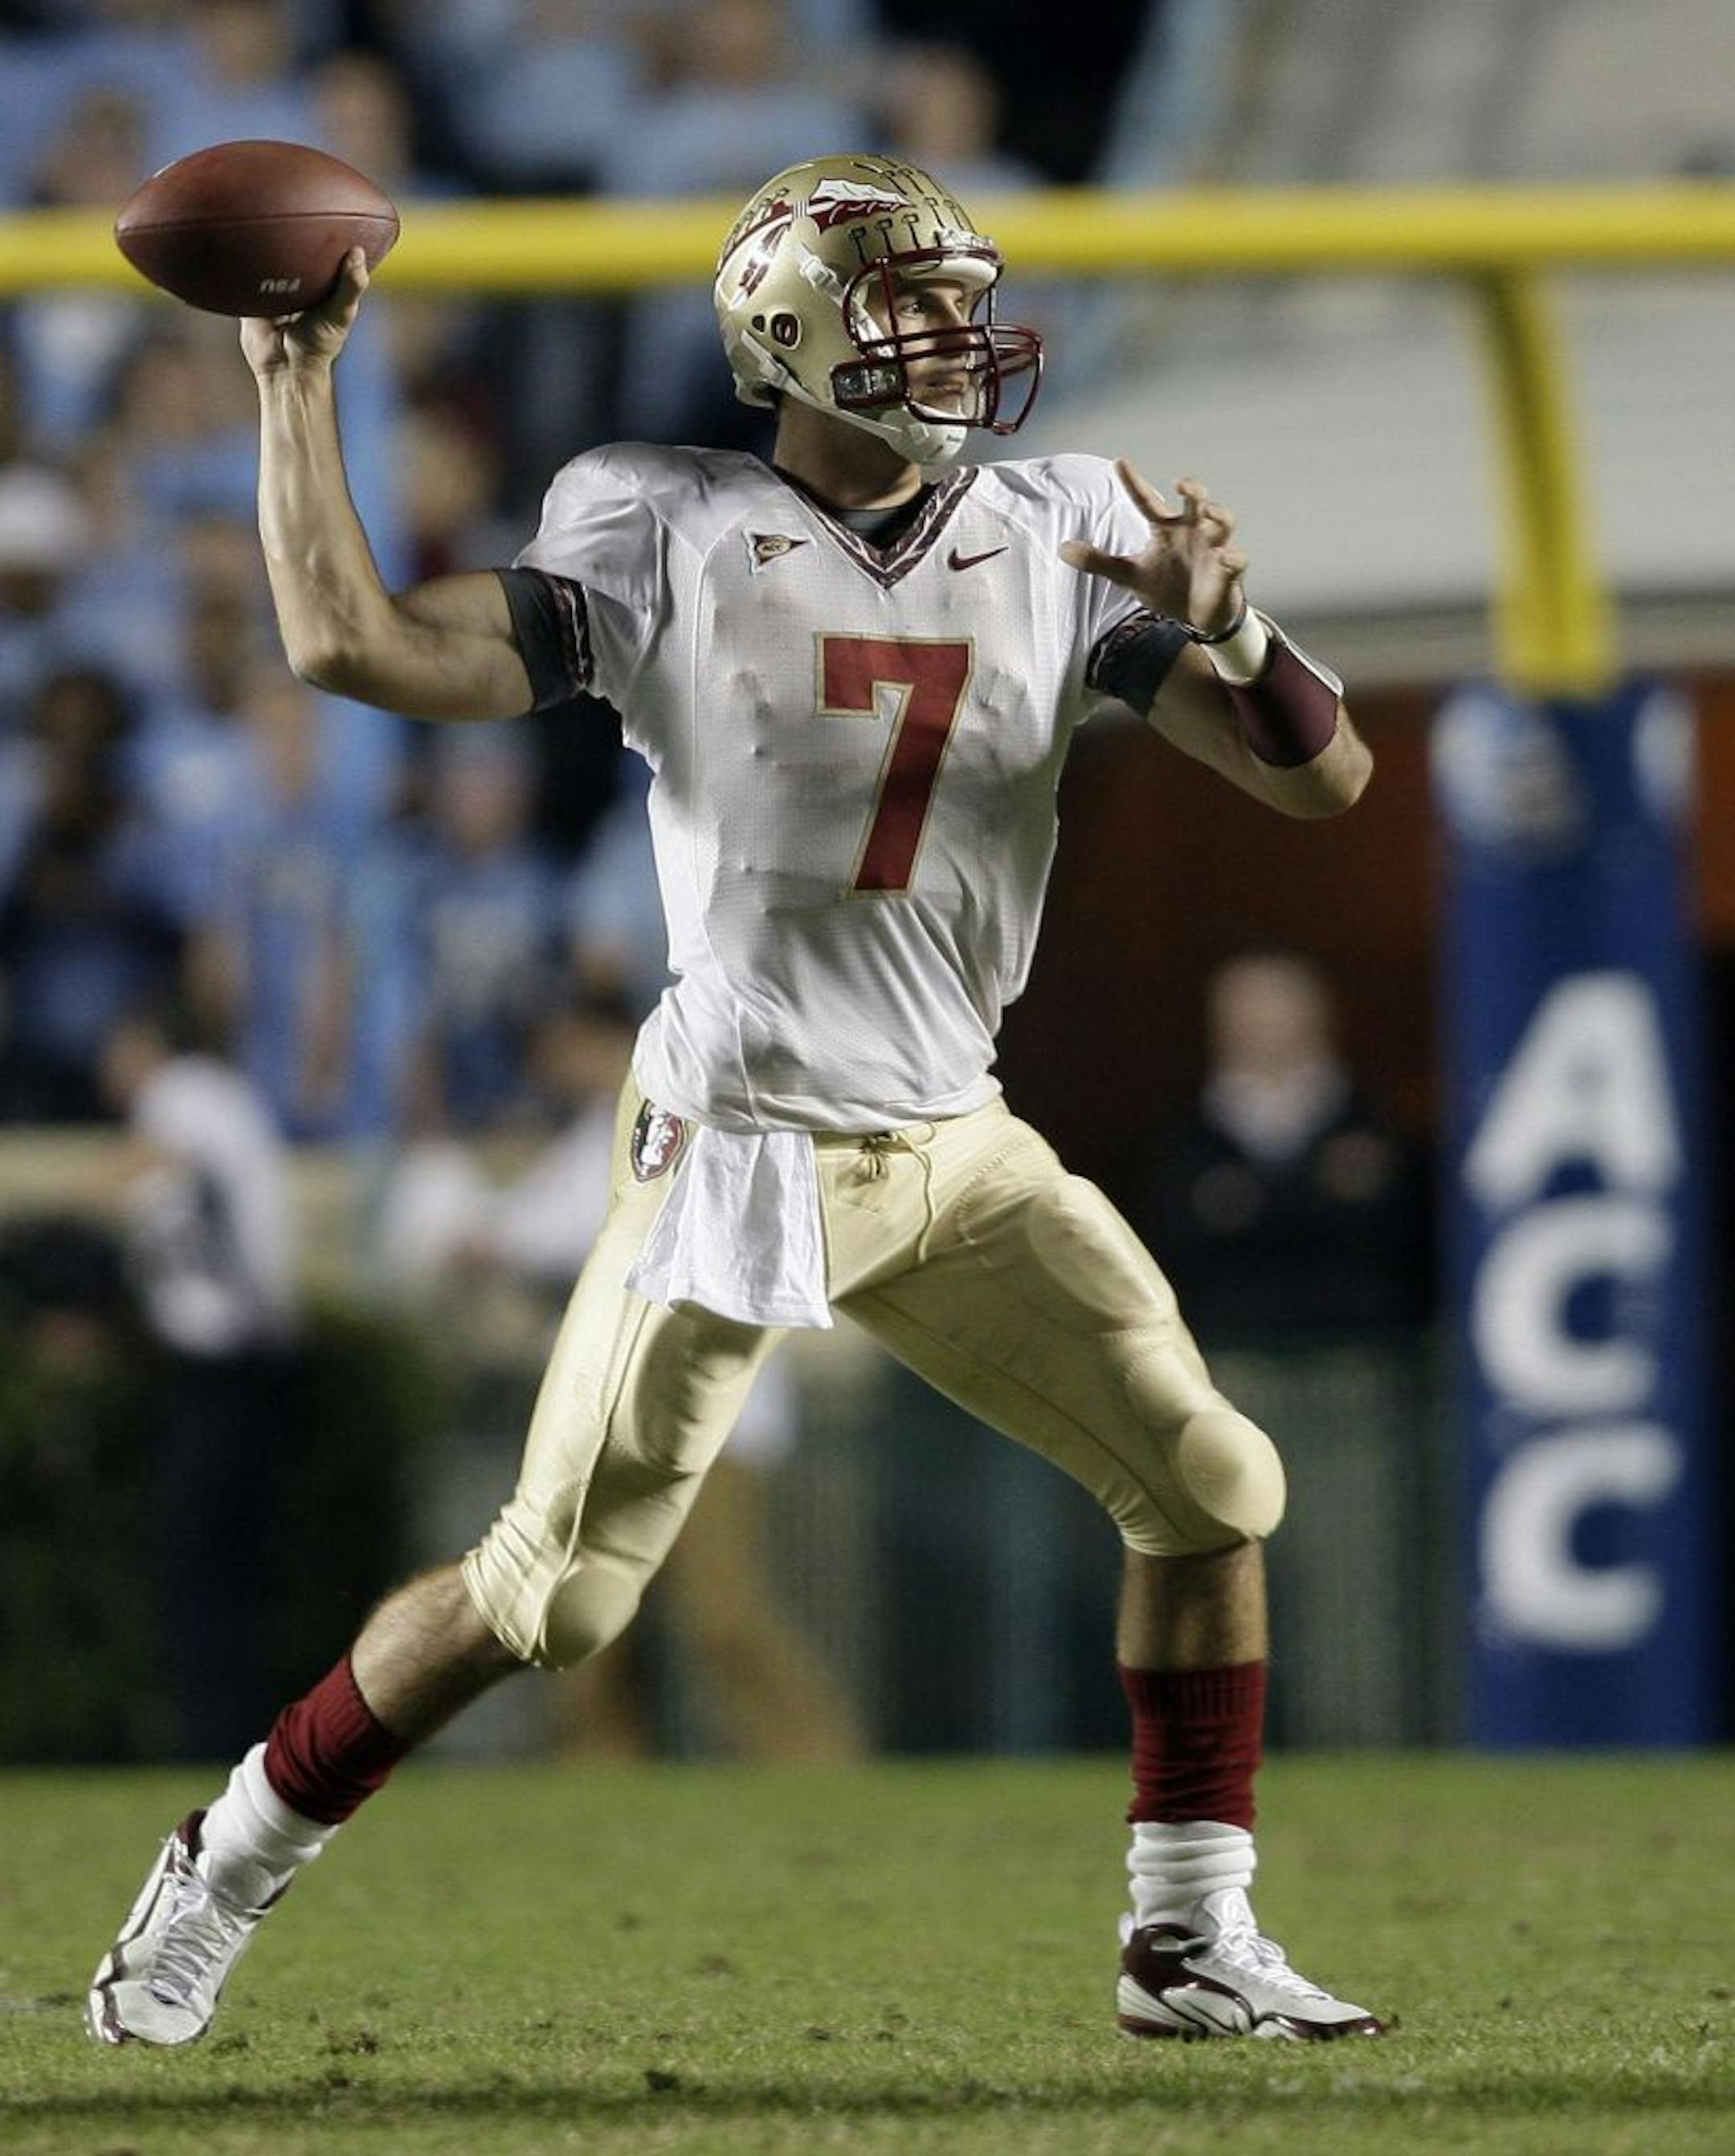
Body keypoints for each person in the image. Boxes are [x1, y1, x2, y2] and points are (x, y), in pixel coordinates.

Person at [88, 153, 1383, 2050]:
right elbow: (352, 646)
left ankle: (1184, 1936)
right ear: (787, 337)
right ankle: (225, 1860)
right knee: (554, 1599)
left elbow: (1320, 785)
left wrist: (1233, 635)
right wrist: (296, 388)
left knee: (1206, 1486)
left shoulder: (1052, 520)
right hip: (746, 1144)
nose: (955, 344)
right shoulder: (661, 521)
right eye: (908, 310)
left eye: (961, 301)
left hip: (954, 1135)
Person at [1125, 949, 1434, 1341]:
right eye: (1246, 1004)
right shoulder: (1183, 1142)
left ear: (1320, 1012)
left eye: (1279, 1001)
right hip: (1230, 1360)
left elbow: (1405, 1242)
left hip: (1363, 1360)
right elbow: (1172, 1247)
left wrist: (1250, 1205)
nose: (1263, 1019)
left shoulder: (1383, 1130)